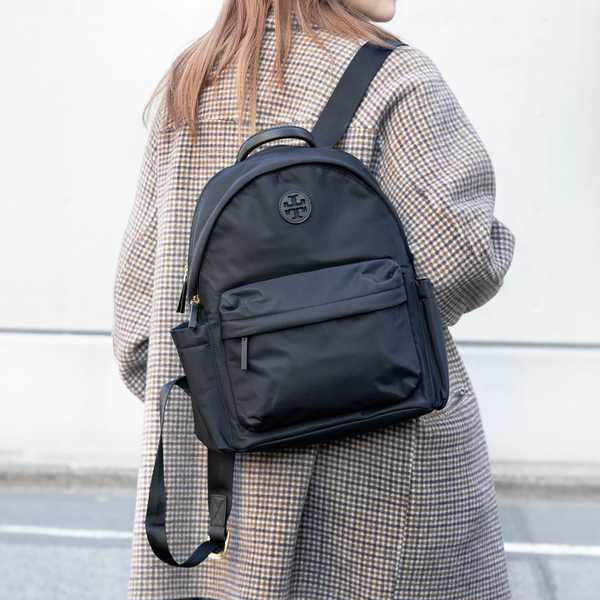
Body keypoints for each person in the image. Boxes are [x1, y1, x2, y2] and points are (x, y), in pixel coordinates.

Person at [113, 1, 515, 598]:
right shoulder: (397, 78)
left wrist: (247, 387)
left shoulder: (191, 82)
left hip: (221, 494)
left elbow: (139, 334)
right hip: (380, 479)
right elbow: (463, 260)